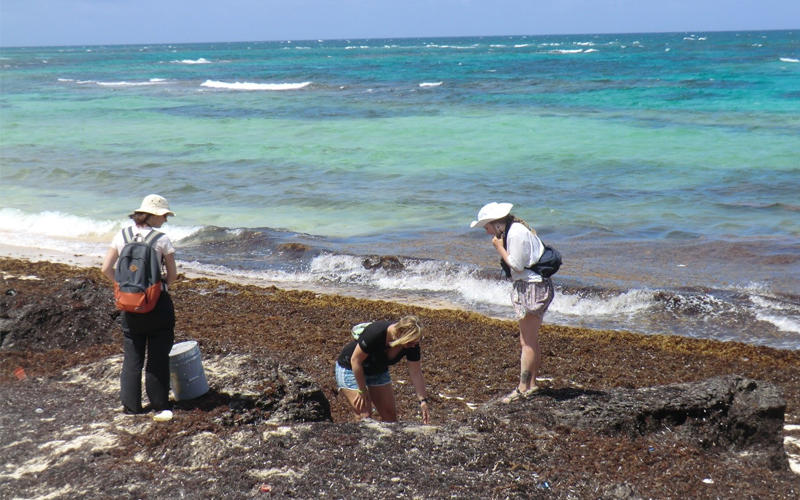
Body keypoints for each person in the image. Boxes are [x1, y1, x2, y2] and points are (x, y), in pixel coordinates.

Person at [471, 202, 555, 403]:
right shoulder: (515, 230)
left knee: (527, 342)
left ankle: (523, 388)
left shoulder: (515, 233)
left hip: (532, 288)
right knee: (529, 340)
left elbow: (517, 266)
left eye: (487, 227)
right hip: (533, 286)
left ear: (496, 223)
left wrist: (499, 247)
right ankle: (532, 384)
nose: (486, 231)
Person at [101, 194, 177, 414]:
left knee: (132, 358)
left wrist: (127, 285)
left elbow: (105, 269)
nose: (165, 220)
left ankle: (131, 406)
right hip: (157, 304)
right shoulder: (161, 240)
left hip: (128, 304)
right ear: (153, 216)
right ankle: (159, 404)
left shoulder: (121, 235)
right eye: (164, 216)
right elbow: (172, 276)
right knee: (158, 357)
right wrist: (156, 287)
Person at [335, 316, 430, 424]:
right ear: (400, 334)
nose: (413, 346)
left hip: (377, 370)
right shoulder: (376, 333)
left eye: (416, 343)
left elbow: (415, 372)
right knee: (364, 415)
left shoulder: (412, 345)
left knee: (390, 417)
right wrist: (362, 390)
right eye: (409, 342)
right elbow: (355, 360)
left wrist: (423, 401)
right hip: (351, 368)